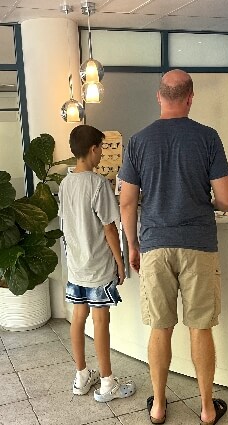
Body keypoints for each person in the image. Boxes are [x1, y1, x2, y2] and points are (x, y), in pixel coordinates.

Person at [119, 69, 228, 425]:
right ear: (190, 97)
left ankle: (158, 407)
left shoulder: (138, 141)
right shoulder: (208, 137)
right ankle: (205, 408)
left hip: (155, 245)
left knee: (160, 327)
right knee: (200, 327)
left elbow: (126, 202)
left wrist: (133, 245)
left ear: (159, 97)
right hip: (198, 243)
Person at [58, 125, 136, 403]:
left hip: (77, 265)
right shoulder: (98, 184)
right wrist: (121, 261)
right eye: (102, 148)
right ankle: (107, 383)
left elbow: (66, 224)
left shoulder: (65, 184)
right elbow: (109, 229)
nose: (103, 153)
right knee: (101, 321)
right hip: (99, 265)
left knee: (78, 318)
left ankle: (81, 376)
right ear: (93, 149)